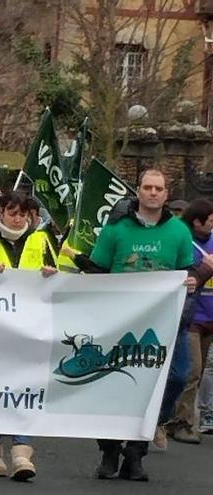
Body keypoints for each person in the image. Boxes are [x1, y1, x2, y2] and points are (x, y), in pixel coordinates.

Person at [80, 169, 199, 482]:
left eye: (159, 188)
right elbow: (96, 271)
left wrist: (191, 281)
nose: (153, 193)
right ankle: (109, 449)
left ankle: (137, 445)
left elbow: (186, 272)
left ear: (166, 192)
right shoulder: (116, 229)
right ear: (138, 191)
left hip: (166, 323)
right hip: (120, 321)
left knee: (177, 377)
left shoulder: (179, 231)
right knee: (114, 384)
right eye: (147, 187)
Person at [0, 190, 56, 481]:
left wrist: (51, 274)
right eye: (12, 213)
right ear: (1, 213)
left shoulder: (42, 241)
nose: (18, 219)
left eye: (23, 214)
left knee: (27, 387)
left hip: (31, 327)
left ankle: (22, 449)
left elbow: (62, 275)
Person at [170, 199, 213, 444]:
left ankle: (175, 418)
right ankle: (181, 423)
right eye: (210, 221)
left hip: (210, 317)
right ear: (197, 221)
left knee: (202, 372)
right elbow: (186, 280)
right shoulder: (186, 243)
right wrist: (205, 270)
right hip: (192, 318)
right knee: (192, 372)